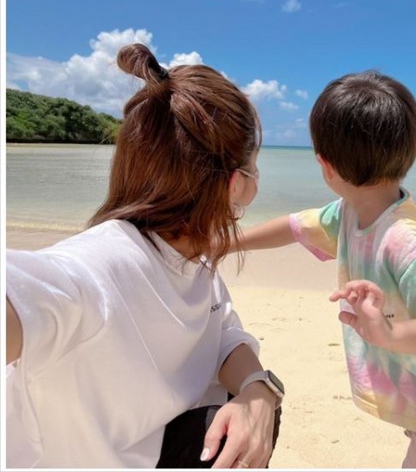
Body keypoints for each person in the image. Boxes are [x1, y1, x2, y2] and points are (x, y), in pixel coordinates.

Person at [5, 43, 284, 469]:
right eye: (256, 168)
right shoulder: (98, 267)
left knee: (254, 417)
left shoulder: (191, 259)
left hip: (150, 444)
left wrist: (258, 389)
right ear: (236, 184)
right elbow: (35, 289)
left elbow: (225, 332)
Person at [237, 70, 416, 468]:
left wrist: (390, 333)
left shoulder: (407, 243)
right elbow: (297, 226)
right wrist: (228, 243)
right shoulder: (352, 212)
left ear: (325, 165)